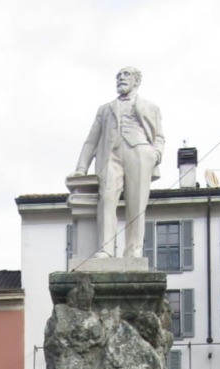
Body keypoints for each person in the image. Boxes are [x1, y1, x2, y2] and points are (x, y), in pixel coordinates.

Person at [74, 66, 165, 259]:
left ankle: (133, 249)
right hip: (110, 155)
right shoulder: (105, 109)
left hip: (139, 151)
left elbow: (159, 136)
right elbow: (92, 139)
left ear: (136, 81)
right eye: (118, 76)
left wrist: (156, 154)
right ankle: (106, 249)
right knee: (106, 199)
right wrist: (82, 168)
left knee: (137, 202)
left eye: (126, 75)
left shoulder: (151, 107)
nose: (121, 79)